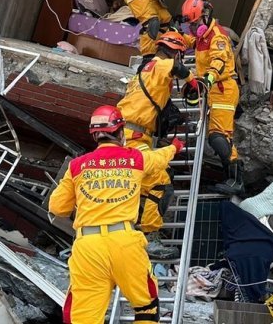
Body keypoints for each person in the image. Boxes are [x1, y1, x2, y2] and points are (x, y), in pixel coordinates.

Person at [49, 105, 185, 324]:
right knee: (146, 307)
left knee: (82, 317)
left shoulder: (77, 166)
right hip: (125, 243)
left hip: (88, 246)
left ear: (95, 136)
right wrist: (174, 147)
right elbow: (159, 158)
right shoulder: (135, 159)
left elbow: (57, 208)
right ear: (121, 133)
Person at [118, 30, 199, 258]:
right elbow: (178, 70)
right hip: (133, 137)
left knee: (142, 184)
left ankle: (133, 231)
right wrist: (194, 83)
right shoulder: (162, 64)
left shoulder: (146, 69)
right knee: (160, 181)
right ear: (175, 54)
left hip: (129, 135)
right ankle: (150, 238)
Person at [179, 0, 243, 195]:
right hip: (214, 90)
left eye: (195, 22)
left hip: (223, 89)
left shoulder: (218, 37)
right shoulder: (202, 37)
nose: (193, 27)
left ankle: (236, 180)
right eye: (191, 24)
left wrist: (208, 79)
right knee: (218, 136)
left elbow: (219, 61)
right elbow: (189, 41)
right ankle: (231, 178)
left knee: (218, 137)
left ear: (206, 15)